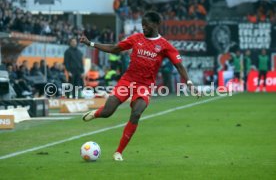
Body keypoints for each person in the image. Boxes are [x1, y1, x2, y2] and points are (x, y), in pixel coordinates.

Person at [80, 11, 200, 161]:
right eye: (142, 25)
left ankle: (118, 152)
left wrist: (189, 83)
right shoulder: (136, 38)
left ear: (156, 24)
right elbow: (114, 48)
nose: (143, 27)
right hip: (127, 81)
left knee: (136, 113)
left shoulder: (164, 46)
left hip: (145, 86)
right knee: (108, 112)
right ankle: (96, 113)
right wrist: (90, 43)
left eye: (146, 25)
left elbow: (179, 66)